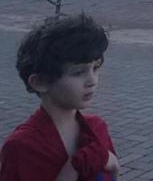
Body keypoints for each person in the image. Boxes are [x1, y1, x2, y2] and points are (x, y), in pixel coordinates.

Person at [1, 14, 119, 180]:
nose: (92, 80)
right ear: (40, 82)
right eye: (78, 72)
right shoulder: (22, 147)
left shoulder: (97, 128)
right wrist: (72, 169)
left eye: (96, 68)